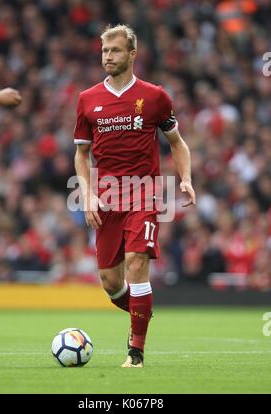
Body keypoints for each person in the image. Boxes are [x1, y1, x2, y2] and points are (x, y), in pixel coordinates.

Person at [74, 24, 196, 367]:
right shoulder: (87, 100)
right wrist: (86, 193)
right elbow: (81, 154)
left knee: (136, 263)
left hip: (144, 193)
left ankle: (136, 353)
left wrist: (185, 178)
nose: (107, 57)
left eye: (114, 51)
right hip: (107, 196)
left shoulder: (156, 96)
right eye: (104, 51)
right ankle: (142, 313)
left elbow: (177, 143)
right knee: (111, 283)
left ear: (132, 54)